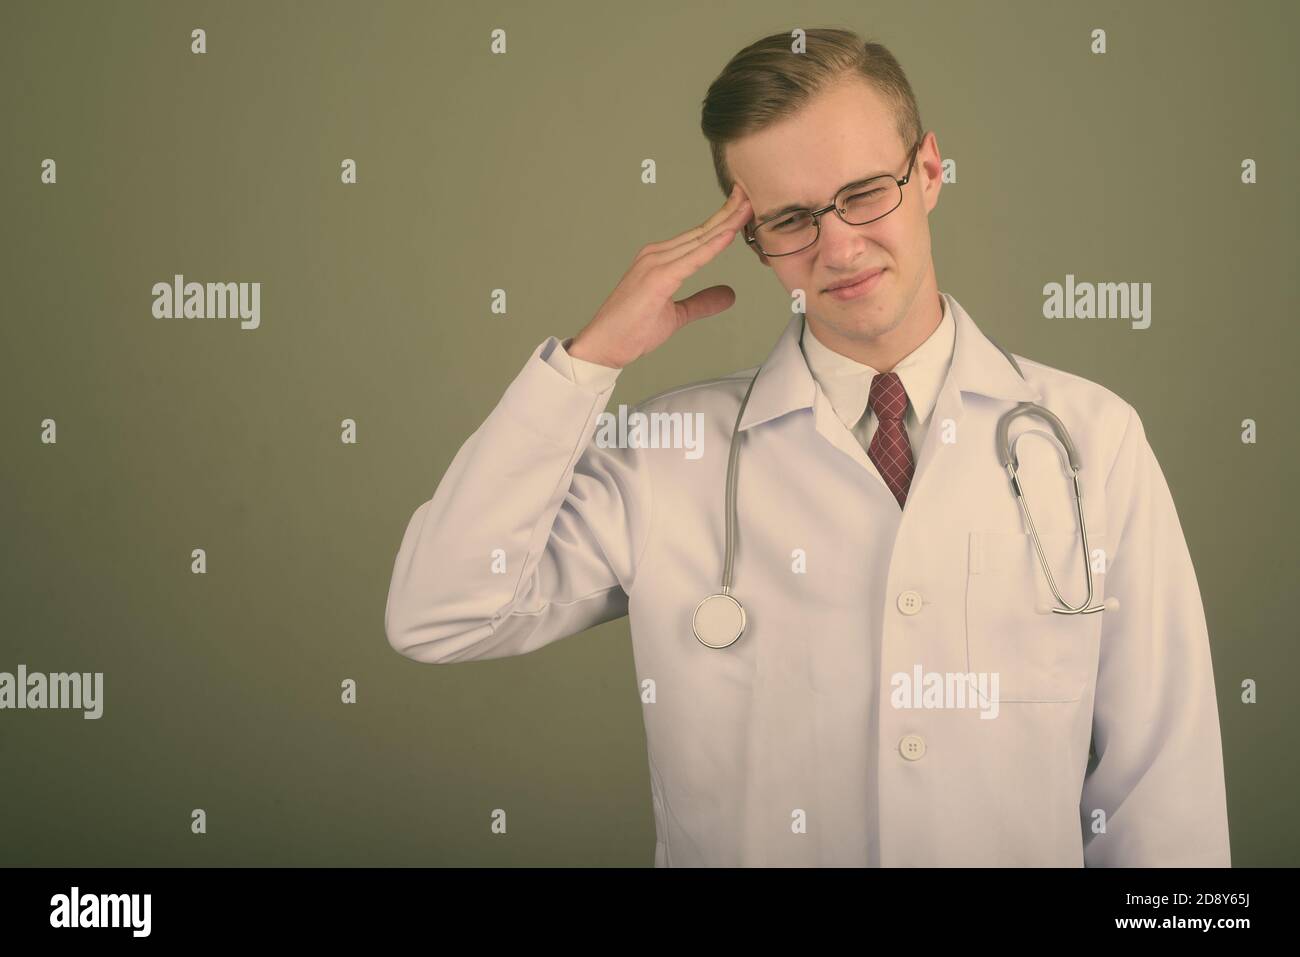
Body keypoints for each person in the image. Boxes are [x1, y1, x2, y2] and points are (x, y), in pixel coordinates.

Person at [384, 28, 1231, 867]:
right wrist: (586, 360)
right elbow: (439, 612)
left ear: (929, 172)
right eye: (790, 218)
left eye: (864, 192)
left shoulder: (1091, 438)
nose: (839, 246)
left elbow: (1166, 792)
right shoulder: (667, 456)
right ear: (751, 241)